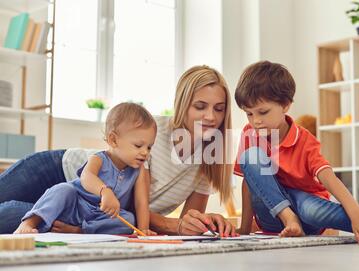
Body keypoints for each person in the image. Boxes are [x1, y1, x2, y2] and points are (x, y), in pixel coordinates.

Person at [0, 65, 237, 237]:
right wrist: (173, 226)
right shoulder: (154, 134)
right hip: (59, 170)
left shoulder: (212, 158)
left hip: (86, 209)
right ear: (182, 104)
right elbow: (140, 208)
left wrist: (206, 224)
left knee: (12, 218)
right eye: (200, 106)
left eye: (219, 109)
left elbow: (188, 222)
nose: (210, 117)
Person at [233, 60, 359, 246]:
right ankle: (289, 218)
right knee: (251, 157)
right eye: (249, 113)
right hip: (273, 217)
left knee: (307, 205)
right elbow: (249, 183)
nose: (255, 121)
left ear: (285, 105)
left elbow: (329, 178)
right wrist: (244, 227)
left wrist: (356, 212)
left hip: (308, 216)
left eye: (262, 112)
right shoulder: (250, 134)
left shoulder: (305, 141)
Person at [14, 103, 157, 235]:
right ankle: (29, 223)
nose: (145, 152)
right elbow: (86, 176)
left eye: (149, 147)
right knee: (63, 189)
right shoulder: (99, 159)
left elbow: (141, 202)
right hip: (75, 205)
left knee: (129, 219)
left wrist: (143, 230)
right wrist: (104, 191)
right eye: (139, 146)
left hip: (101, 217)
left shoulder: (140, 171)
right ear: (113, 140)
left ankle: (78, 230)